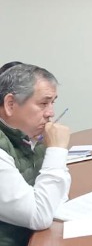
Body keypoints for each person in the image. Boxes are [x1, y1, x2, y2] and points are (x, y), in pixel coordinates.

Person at [0, 64, 71, 246]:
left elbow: (60, 196)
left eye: (53, 103)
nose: (51, 113)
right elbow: (39, 216)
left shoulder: (30, 136)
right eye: (43, 103)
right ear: (10, 104)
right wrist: (57, 150)